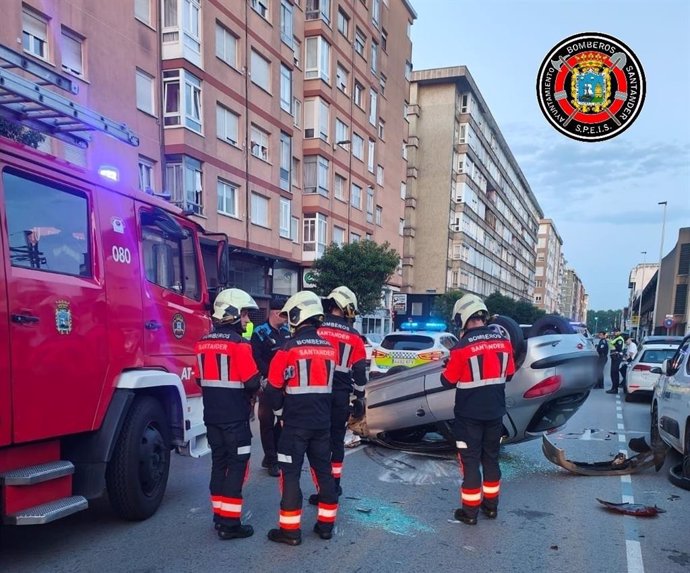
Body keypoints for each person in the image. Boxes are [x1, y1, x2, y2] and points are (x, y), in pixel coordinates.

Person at [264, 291, 339, 546]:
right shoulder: (330, 349)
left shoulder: (286, 349)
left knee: (291, 475)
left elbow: (273, 389)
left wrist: (279, 414)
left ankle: (290, 531)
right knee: (324, 473)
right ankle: (326, 526)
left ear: (297, 315)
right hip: (322, 424)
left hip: (294, 425)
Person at [440, 294, 515, 526]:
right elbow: (509, 374)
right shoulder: (504, 342)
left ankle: (470, 512)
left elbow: (447, 381)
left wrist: (449, 366)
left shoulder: (461, 347)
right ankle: (491, 508)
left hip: (468, 416)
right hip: (495, 414)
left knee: (470, 461)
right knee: (491, 459)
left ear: (463, 318)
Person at [193, 288, 262, 540]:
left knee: (219, 464)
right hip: (235, 420)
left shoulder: (202, 344)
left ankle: (218, 516)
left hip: (212, 417)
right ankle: (230, 524)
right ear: (233, 314)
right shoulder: (240, 346)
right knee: (236, 467)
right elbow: (253, 383)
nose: (247, 321)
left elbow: (200, 379)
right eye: (244, 315)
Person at [308, 286, 367, 505]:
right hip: (340, 396)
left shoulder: (316, 328)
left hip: (315, 395)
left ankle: (323, 488)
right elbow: (360, 371)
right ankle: (335, 485)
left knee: (318, 442)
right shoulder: (353, 336)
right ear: (347, 308)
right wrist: (360, 396)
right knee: (336, 441)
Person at [250, 298, 291, 477]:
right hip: (267, 384)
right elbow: (256, 358)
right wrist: (270, 375)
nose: (287, 317)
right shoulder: (260, 332)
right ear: (275, 313)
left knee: (283, 421)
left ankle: (271, 454)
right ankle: (272, 460)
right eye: (284, 314)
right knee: (266, 422)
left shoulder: (287, 332)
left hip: (285, 385)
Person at [606, 329, 625, 394]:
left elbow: (619, 348)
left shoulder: (619, 339)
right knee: (612, 373)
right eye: (614, 331)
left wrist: (613, 345)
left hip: (617, 357)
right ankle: (613, 388)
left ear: (619, 332)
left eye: (616, 331)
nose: (614, 333)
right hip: (614, 356)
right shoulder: (616, 338)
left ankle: (615, 389)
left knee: (614, 372)